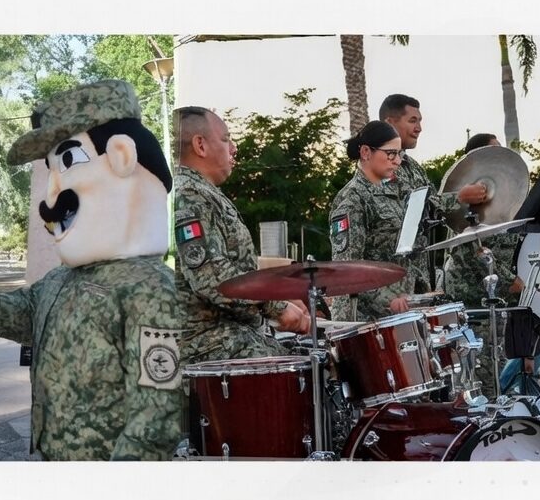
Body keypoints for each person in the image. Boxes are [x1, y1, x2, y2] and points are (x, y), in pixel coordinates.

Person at [0, 80, 184, 461]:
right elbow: (28, 316)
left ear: (121, 156)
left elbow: (157, 414)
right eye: (51, 170)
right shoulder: (61, 280)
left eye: (67, 161)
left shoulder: (150, 289)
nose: (52, 197)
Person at [172, 106, 310, 364]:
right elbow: (210, 277)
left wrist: (279, 295)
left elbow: (234, 265)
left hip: (232, 335)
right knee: (309, 369)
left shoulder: (203, 192)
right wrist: (276, 308)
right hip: (210, 344)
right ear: (200, 145)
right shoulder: (189, 196)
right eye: (226, 139)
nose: (234, 148)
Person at [379, 94, 489, 290]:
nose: (419, 128)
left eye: (420, 121)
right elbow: (404, 212)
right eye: (412, 120)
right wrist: (459, 197)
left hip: (418, 278)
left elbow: (434, 205)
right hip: (389, 285)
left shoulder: (413, 166)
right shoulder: (379, 166)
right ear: (389, 123)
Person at [444, 133, 525, 397]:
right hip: (472, 303)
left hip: (495, 302)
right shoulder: (462, 207)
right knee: (481, 378)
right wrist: (508, 280)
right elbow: (474, 254)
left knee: (499, 371)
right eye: (495, 152)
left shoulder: (500, 203)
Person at [329, 120, 421, 321]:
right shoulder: (352, 200)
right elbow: (348, 271)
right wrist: (389, 300)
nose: (397, 161)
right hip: (362, 321)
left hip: (398, 312)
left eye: (399, 154)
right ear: (366, 152)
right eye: (391, 154)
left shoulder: (393, 193)